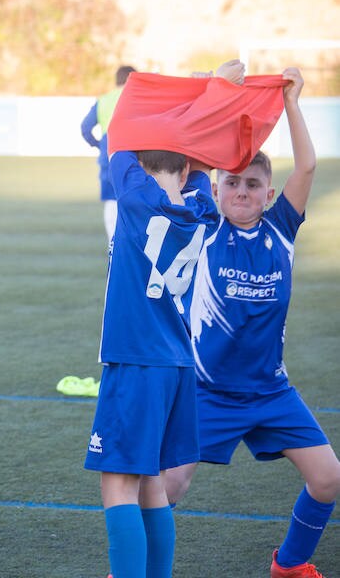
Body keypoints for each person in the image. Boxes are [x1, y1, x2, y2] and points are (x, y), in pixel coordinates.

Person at [164, 68, 339, 578]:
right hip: (207, 392)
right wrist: (211, 93)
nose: (242, 191)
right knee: (167, 487)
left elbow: (306, 165)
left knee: (328, 479)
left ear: (269, 193)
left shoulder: (282, 229)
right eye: (232, 182)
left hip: (269, 392)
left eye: (254, 184)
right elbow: (181, 161)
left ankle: (289, 565)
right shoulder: (204, 227)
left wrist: (291, 102)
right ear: (216, 189)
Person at [84, 63, 251, 578]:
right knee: (152, 482)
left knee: (118, 484)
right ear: (185, 171)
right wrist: (213, 91)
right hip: (178, 363)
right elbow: (199, 155)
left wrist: (200, 89)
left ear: (136, 163)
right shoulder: (202, 205)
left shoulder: (134, 198)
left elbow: (121, 135)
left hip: (136, 359)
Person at [80, 65, 136, 243]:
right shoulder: (135, 98)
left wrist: (98, 146)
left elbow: (85, 128)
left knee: (112, 203)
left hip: (109, 155)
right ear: (131, 79)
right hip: (133, 156)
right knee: (134, 201)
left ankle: (114, 247)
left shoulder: (103, 100)